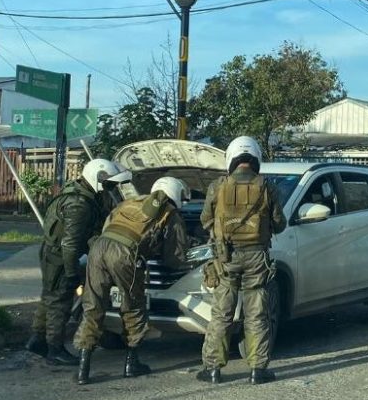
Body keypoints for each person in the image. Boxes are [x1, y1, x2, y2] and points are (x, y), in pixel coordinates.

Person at [73, 176, 189, 385]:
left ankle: (83, 369)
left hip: (99, 249)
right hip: (124, 254)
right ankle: (131, 363)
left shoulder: (129, 202)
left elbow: (109, 224)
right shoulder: (170, 213)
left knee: (93, 305)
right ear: (176, 194)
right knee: (133, 307)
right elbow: (175, 257)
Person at [196, 136, 286, 385]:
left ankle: (212, 369)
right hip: (257, 258)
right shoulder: (267, 186)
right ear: (255, 158)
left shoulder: (218, 186)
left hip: (225, 258)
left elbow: (205, 220)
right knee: (257, 314)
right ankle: (257, 370)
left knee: (222, 314)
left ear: (231, 158)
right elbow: (280, 224)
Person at [25, 159, 131, 365]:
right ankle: (54, 349)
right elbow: (71, 244)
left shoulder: (77, 192)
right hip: (60, 257)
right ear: (97, 178)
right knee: (60, 301)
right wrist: (72, 273)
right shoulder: (79, 205)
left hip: (52, 253)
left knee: (49, 296)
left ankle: (37, 339)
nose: (110, 188)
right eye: (108, 183)